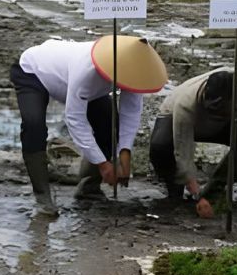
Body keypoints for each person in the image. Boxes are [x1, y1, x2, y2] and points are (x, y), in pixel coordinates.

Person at [10, 35, 167, 214]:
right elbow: (75, 118)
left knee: (109, 123)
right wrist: (102, 163)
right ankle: (43, 197)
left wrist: (124, 153)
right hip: (33, 72)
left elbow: (130, 113)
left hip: (86, 87)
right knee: (33, 125)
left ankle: (88, 188)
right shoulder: (87, 70)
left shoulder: (133, 70)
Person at [148, 69, 237, 218]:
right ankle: (174, 191)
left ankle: (215, 189)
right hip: (175, 116)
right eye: (213, 109)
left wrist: (206, 196)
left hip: (224, 122)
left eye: (221, 110)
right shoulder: (185, 104)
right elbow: (183, 151)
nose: (216, 113)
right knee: (160, 145)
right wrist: (195, 192)